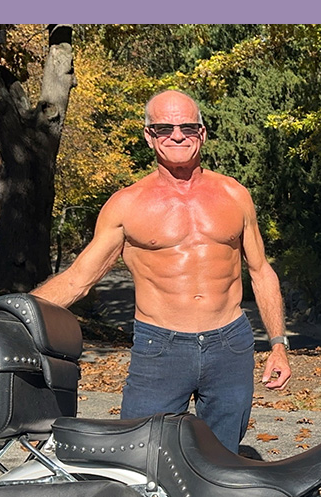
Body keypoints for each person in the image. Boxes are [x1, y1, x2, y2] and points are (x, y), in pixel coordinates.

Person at [31, 89, 291, 453]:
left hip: (229, 345)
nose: (177, 135)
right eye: (164, 127)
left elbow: (261, 271)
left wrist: (278, 344)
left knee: (222, 457)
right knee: (139, 455)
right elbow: (78, 278)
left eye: (187, 126)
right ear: (149, 135)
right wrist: (11, 315)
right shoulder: (127, 205)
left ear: (201, 133)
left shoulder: (234, 195)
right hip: (161, 348)